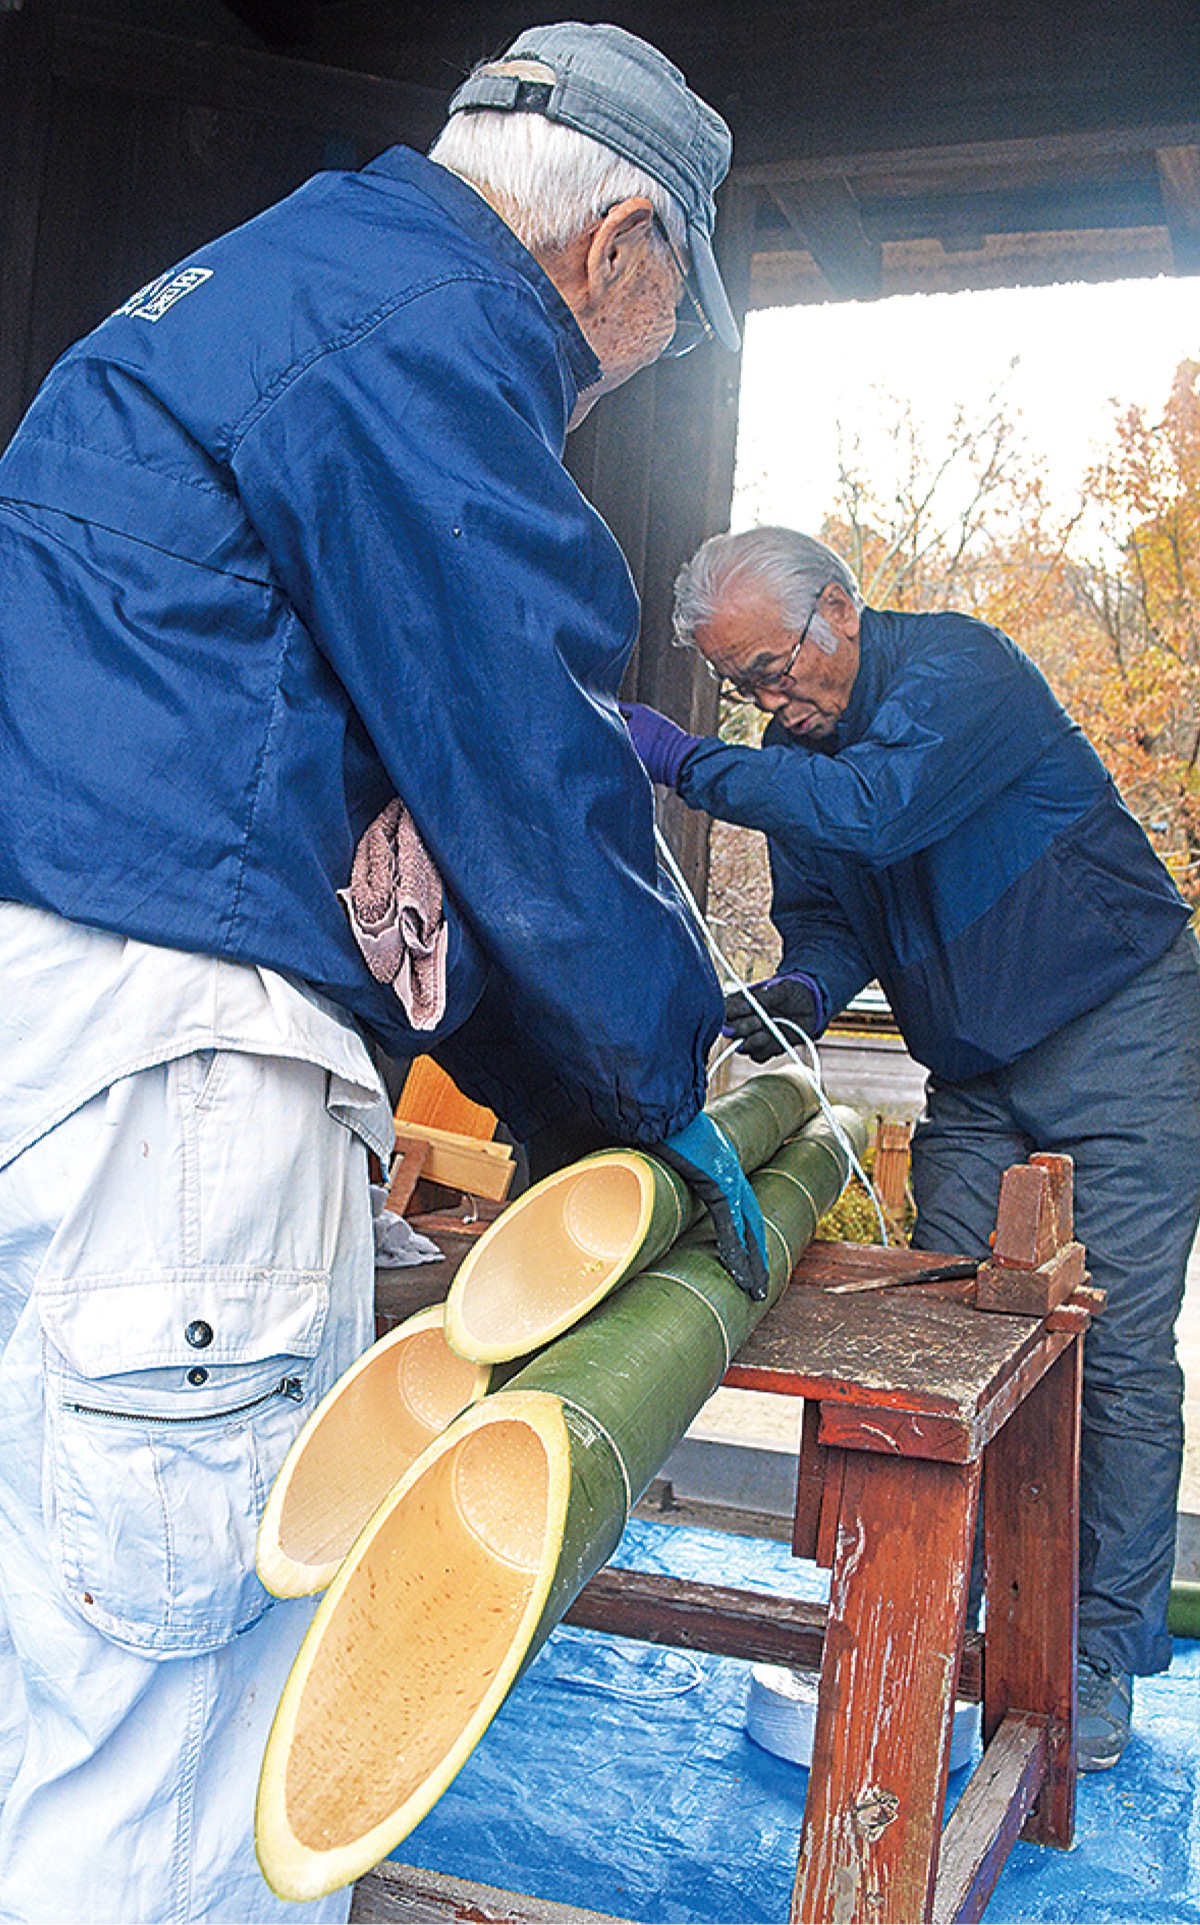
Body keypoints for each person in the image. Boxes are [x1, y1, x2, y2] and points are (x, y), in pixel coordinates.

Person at [0, 25, 767, 1922]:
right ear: (624, 244)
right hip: (176, 1085)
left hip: (61, 1044)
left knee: (57, 1676)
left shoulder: (278, 285)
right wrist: (657, 1103)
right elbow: (528, 768)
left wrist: (567, 1087)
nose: (605, 394)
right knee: (186, 1751)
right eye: (644, 347)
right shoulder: (431, 332)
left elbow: (418, 808)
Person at [623, 524, 1200, 1773]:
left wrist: (683, 760)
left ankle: (1093, 1657)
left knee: (1118, 1353)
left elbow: (880, 813)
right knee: (940, 1347)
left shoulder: (957, 673)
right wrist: (800, 996)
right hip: (976, 1063)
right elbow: (832, 916)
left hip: (1124, 1027)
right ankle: (939, 1610)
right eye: (742, 689)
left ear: (839, 608)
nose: (770, 701)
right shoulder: (797, 756)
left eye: (774, 667)